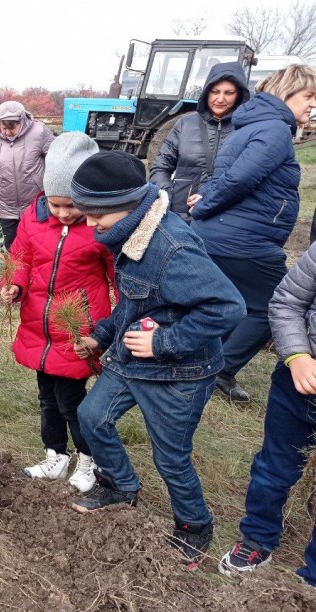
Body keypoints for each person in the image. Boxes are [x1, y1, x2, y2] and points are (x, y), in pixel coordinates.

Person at [69, 152, 244, 566]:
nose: (90, 223)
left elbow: (228, 306)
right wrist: (101, 335)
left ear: (130, 203)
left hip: (178, 371)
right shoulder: (131, 235)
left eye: (97, 214)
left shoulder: (171, 247)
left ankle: (193, 525)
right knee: (93, 416)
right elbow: (136, 298)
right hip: (132, 356)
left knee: (170, 456)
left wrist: (164, 343)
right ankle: (120, 486)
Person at [190, 64, 316, 402]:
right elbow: (239, 179)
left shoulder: (253, 125)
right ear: (288, 92)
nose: (311, 106)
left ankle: (203, 361)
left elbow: (224, 174)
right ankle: (220, 369)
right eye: (308, 97)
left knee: (234, 303)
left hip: (224, 235)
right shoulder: (274, 130)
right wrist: (202, 206)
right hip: (243, 242)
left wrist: (204, 200)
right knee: (276, 306)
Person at [0, 132, 115, 492]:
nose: (63, 214)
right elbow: (21, 258)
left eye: (72, 206)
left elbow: (119, 278)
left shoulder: (102, 228)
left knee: (72, 401)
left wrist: (112, 327)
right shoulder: (32, 219)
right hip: (39, 326)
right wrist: (14, 285)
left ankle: (88, 460)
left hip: (77, 328)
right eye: (55, 205)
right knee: (47, 398)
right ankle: (55, 455)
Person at [218, 242, 316, 587]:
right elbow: (287, 301)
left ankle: (312, 574)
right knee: (274, 465)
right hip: (298, 387)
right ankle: (257, 536)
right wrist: (297, 355)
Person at [149, 62, 251, 222]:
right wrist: (168, 196)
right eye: (215, 92)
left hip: (227, 218)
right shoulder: (184, 124)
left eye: (229, 93)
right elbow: (160, 168)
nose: (220, 99)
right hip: (181, 216)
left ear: (239, 94)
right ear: (206, 92)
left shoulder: (247, 128)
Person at [0, 101, 55, 250]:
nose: (7, 132)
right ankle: (8, 271)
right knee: (6, 245)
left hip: (34, 203)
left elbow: (56, 159)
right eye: (3, 128)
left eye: (12, 128)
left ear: (22, 122)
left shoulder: (39, 132)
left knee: (36, 244)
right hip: (5, 204)